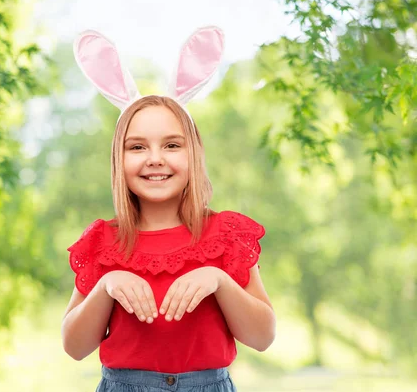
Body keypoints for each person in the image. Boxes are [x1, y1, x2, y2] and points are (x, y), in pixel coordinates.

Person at [61, 27, 276, 392]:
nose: (155, 159)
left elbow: (262, 336)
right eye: (138, 147)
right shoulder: (104, 241)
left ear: (193, 154)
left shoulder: (226, 235)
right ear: (118, 159)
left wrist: (219, 280)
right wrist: (106, 286)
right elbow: (74, 346)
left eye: (172, 145)